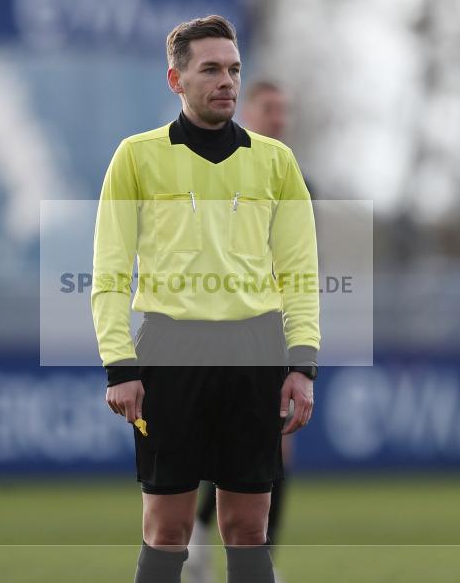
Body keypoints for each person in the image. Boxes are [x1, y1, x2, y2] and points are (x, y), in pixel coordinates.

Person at [91, 16, 320, 583]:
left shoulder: (275, 162)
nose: (227, 81)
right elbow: (109, 273)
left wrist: (302, 364)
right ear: (176, 79)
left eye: (235, 69)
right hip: (171, 349)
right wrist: (120, 364)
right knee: (166, 529)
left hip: (255, 348)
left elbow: (300, 273)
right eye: (211, 69)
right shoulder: (136, 158)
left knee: (248, 529)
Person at [185, 79, 301, 583]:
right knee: (217, 447)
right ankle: (199, 529)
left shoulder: (290, 175)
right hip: (210, 333)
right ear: (246, 112)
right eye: (269, 108)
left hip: (269, 336)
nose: (278, 118)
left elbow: (300, 263)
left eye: (283, 109)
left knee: (275, 452)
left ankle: (257, 557)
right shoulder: (213, 171)